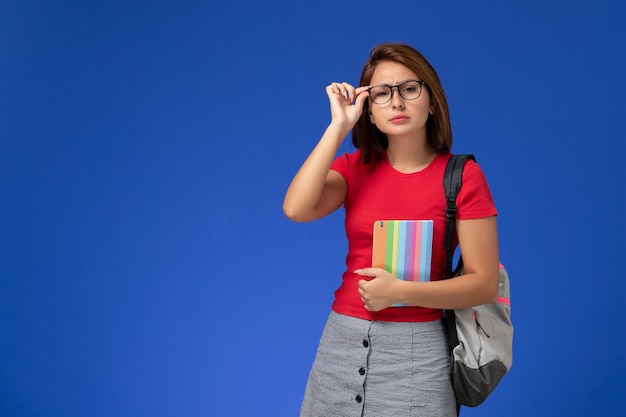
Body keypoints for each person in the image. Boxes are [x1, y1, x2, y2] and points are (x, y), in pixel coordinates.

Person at [283, 43, 499, 417]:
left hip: (419, 357)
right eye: (382, 93)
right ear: (369, 110)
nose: (396, 102)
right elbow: (296, 208)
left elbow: (483, 284)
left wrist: (399, 292)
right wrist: (337, 127)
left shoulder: (463, 176)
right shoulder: (355, 168)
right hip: (342, 345)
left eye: (409, 89)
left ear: (431, 101)